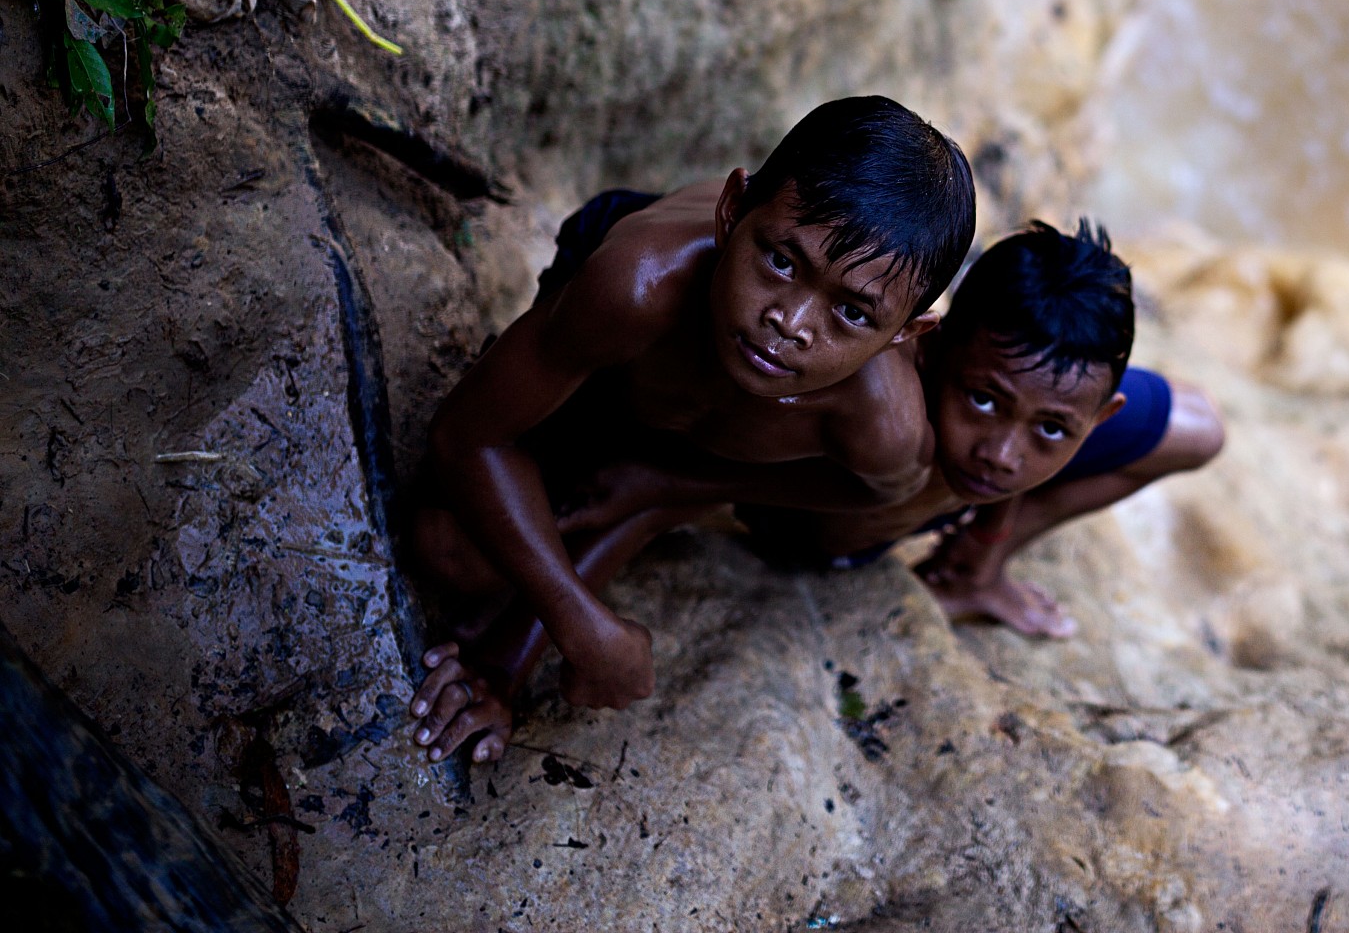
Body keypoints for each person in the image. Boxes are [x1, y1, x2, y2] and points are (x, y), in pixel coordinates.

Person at [405, 96, 977, 767]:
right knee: (449, 552)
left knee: (550, 527)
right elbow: (466, 436)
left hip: (689, 449)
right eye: (783, 263)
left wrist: (673, 485)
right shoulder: (639, 286)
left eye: (851, 312)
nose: (790, 322)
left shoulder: (878, 423)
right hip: (628, 363)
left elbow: (880, 494)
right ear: (733, 209)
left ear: (906, 335)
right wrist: (580, 625)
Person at [745, 219, 1224, 639]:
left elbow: (1023, 408)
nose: (1002, 453)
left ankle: (972, 571)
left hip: (1013, 394)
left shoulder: (1018, 398)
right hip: (820, 529)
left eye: (1054, 428)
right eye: (983, 400)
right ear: (928, 343)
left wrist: (991, 538)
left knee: (1199, 430)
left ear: (1101, 417)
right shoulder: (883, 423)